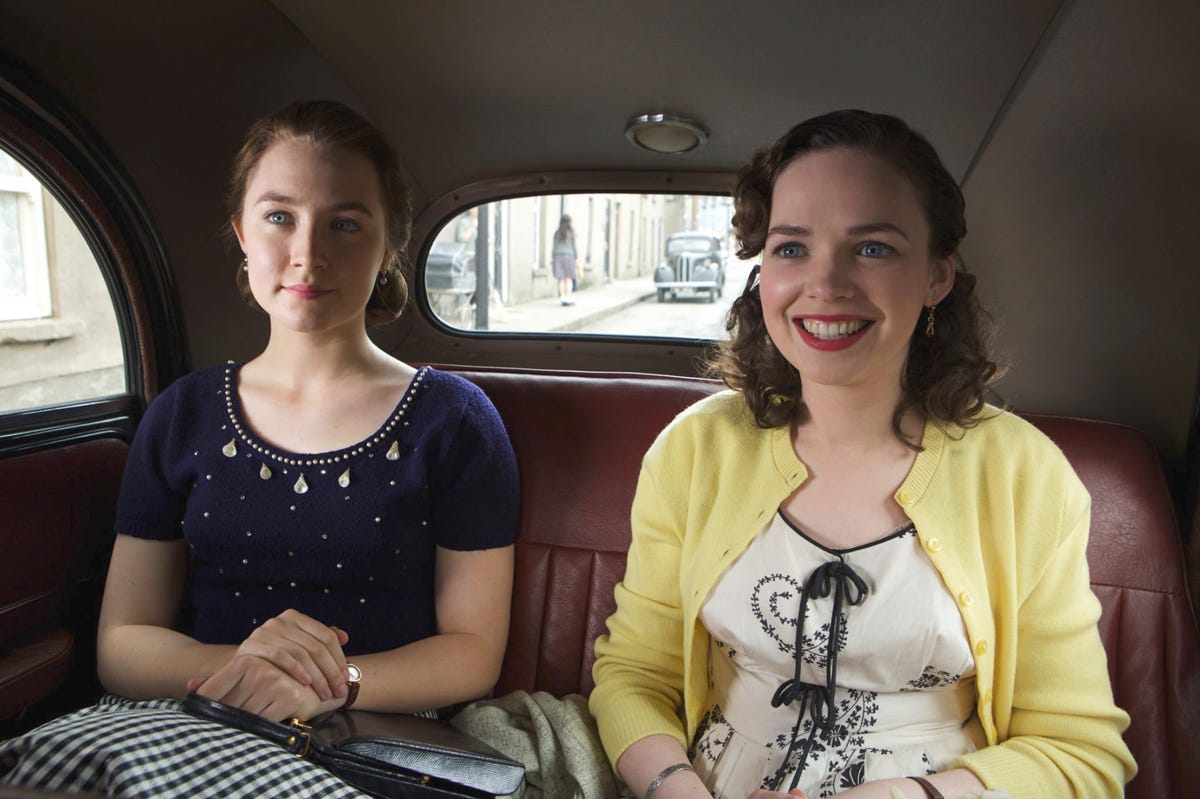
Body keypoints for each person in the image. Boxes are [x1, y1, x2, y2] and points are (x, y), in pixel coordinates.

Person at [589, 110, 1135, 799]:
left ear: (937, 276)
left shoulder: (1025, 474)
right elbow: (635, 674)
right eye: (791, 248)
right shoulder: (693, 449)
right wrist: (675, 787)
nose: (826, 283)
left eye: (872, 248)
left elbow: (1079, 753)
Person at [0, 100, 519, 796]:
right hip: (189, 709)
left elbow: (473, 652)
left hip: (367, 725)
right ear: (243, 232)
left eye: (344, 223)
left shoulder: (454, 421)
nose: (308, 252)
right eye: (279, 217)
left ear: (389, 246)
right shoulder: (181, 414)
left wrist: (328, 683)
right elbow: (123, 640)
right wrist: (247, 669)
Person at [552, 213, 579, 304]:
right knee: (568, 278)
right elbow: (574, 246)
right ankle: (568, 297)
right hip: (569, 257)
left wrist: (553, 257)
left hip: (558, 256)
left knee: (561, 278)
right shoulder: (571, 233)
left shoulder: (557, 233)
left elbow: (554, 246)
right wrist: (576, 258)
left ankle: (562, 297)